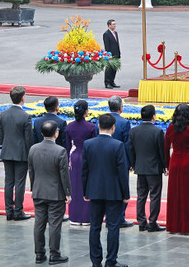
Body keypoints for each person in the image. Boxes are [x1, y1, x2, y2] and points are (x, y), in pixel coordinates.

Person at [82, 113, 130, 267]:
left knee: (95, 226)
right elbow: (122, 172)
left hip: (94, 190)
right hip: (113, 192)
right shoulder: (118, 145)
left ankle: (96, 261)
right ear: (113, 127)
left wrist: (85, 191)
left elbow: (85, 170)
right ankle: (111, 260)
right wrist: (126, 193)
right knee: (113, 226)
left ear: (98, 126)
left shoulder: (88, 144)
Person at [28, 120, 72, 265]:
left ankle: (39, 254)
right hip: (55, 193)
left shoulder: (33, 149)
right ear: (56, 133)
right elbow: (64, 175)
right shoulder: (60, 151)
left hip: (39, 191)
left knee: (39, 223)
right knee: (54, 224)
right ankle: (54, 254)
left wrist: (34, 187)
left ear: (41, 133)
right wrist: (67, 193)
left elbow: (31, 171)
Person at [165, 103, 189, 235]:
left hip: (175, 161)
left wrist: (166, 165)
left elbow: (166, 148)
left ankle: (173, 226)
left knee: (174, 194)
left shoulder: (170, 129)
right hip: (188, 162)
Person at [129, 105, 166, 232]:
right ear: (153, 116)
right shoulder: (158, 131)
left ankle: (141, 222)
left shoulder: (134, 131)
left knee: (141, 195)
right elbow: (161, 152)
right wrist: (164, 166)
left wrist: (133, 164)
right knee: (155, 195)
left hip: (140, 167)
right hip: (154, 169)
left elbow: (131, 150)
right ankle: (152, 222)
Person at [0, 85, 34, 221]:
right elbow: (28, 139)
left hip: (7, 152)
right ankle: (18, 211)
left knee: (9, 182)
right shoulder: (25, 116)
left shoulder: (3, 114)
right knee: (19, 183)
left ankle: (9, 211)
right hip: (21, 153)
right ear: (22, 98)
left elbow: (1, 136)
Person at [66, 100, 97, 226]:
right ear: (86, 111)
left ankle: (74, 216)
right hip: (87, 157)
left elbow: (67, 146)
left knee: (74, 186)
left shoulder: (69, 126)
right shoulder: (91, 127)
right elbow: (94, 146)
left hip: (74, 157)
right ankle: (85, 217)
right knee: (86, 185)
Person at [108, 96, 133, 228]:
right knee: (122, 187)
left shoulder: (102, 120)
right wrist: (130, 162)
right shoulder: (124, 123)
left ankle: (109, 216)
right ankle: (120, 217)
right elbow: (127, 144)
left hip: (104, 159)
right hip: (121, 160)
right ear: (121, 108)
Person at [103, 19, 121, 88]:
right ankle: (107, 83)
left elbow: (117, 44)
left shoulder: (115, 33)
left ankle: (112, 81)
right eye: (113, 24)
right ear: (109, 25)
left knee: (114, 69)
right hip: (110, 54)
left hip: (116, 53)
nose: (115, 26)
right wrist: (108, 55)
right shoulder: (106, 34)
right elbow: (107, 45)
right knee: (109, 69)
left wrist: (119, 53)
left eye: (115, 24)